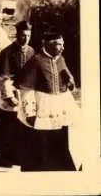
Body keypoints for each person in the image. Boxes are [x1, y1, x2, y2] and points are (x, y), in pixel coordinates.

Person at [14, 30, 79, 171]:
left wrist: (70, 83)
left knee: (59, 141)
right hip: (42, 106)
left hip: (59, 106)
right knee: (40, 143)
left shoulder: (61, 59)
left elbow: (66, 81)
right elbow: (26, 89)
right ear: (48, 44)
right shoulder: (36, 61)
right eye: (58, 44)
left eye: (63, 44)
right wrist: (29, 112)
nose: (62, 48)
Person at [0, 21, 35, 166]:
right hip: (10, 93)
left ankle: (19, 155)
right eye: (23, 36)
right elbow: (2, 77)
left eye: (28, 36)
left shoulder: (31, 51)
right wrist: (9, 96)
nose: (25, 39)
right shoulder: (7, 52)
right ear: (17, 35)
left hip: (25, 95)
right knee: (6, 127)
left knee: (23, 126)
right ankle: (4, 156)